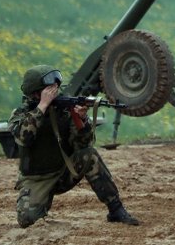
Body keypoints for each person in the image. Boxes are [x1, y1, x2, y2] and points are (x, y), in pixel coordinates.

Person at [10, 65, 139, 227]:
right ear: (35, 92)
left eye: (55, 88)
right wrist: (42, 106)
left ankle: (116, 209)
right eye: (49, 90)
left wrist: (81, 121)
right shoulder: (20, 114)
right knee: (27, 221)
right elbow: (24, 137)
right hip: (36, 180)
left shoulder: (63, 111)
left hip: (64, 172)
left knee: (89, 155)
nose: (54, 92)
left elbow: (83, 144)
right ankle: (40, 203)